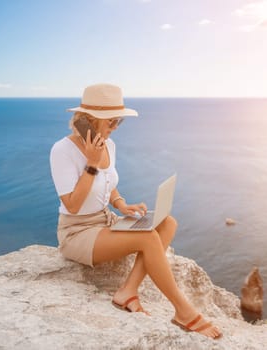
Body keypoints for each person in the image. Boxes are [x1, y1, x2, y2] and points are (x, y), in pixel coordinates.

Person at [49, 83, 222, 339]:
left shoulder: (109, 145)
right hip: (78, 232)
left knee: (167, 223)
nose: (116, 126)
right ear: (90, 120)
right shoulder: (62, 151)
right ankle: (184, 312)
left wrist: (121, 204)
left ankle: (127, 290)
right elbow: (73, 204)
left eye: (119, 121)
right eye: (112, 121)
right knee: (147, 237)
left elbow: (109, 186)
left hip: (105, 221)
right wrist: (92, 164)